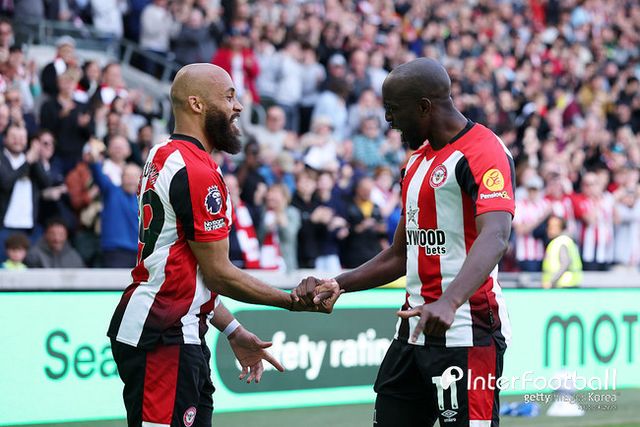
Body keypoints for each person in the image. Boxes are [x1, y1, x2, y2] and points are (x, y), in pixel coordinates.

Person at [107, 63, 338, 427]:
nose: (238, 106)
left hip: (172, 329)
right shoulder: (197, 171)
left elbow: (189, 271)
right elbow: (219, 274)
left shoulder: (161, 153)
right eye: (229, 97)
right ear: (196, 104)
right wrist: (292, 302)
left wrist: (234, 330)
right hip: (165, 335)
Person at [293, 58, 514, 427]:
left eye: (394, 110)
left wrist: (449, 301)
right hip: (412, 332)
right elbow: (400, 254)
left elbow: (496, 234)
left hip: (467, 331)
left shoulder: (483, 150)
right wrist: (339, 284)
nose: (389, 120)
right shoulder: (414, 163)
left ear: (424, 107)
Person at [541, 215, 582, 289]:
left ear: (561, 228)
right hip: (566, 285)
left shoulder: (561, 242)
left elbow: (565, 263)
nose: (549, 229)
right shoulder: (563, 241)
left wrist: (551, 281)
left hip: (564, 286)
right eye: (549, 226)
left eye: (553, 226)